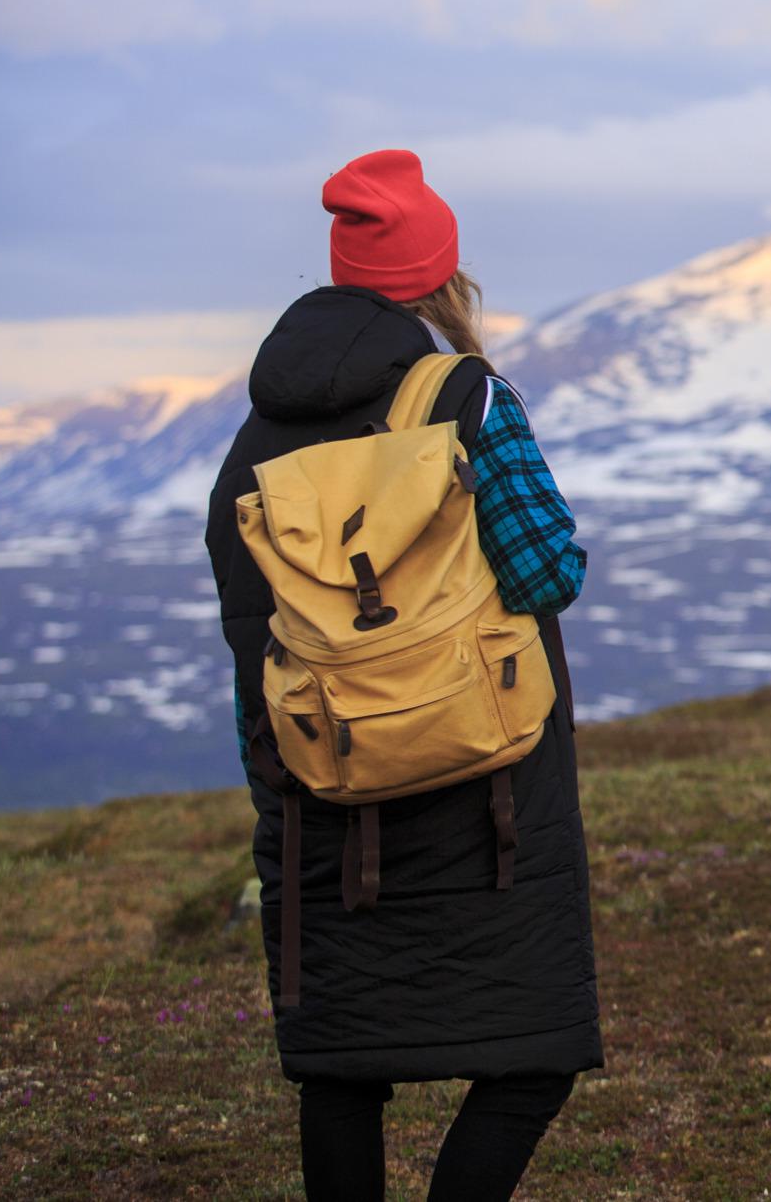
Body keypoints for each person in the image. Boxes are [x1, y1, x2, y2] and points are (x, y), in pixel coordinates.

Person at [204, 148, 602, 1201]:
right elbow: (546, 572)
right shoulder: (462, 399)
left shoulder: (256, 439)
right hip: (485, 789)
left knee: (342, 1071)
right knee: (532, 1053)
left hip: (323, 786)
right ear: (440, 277)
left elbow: (253, 634)